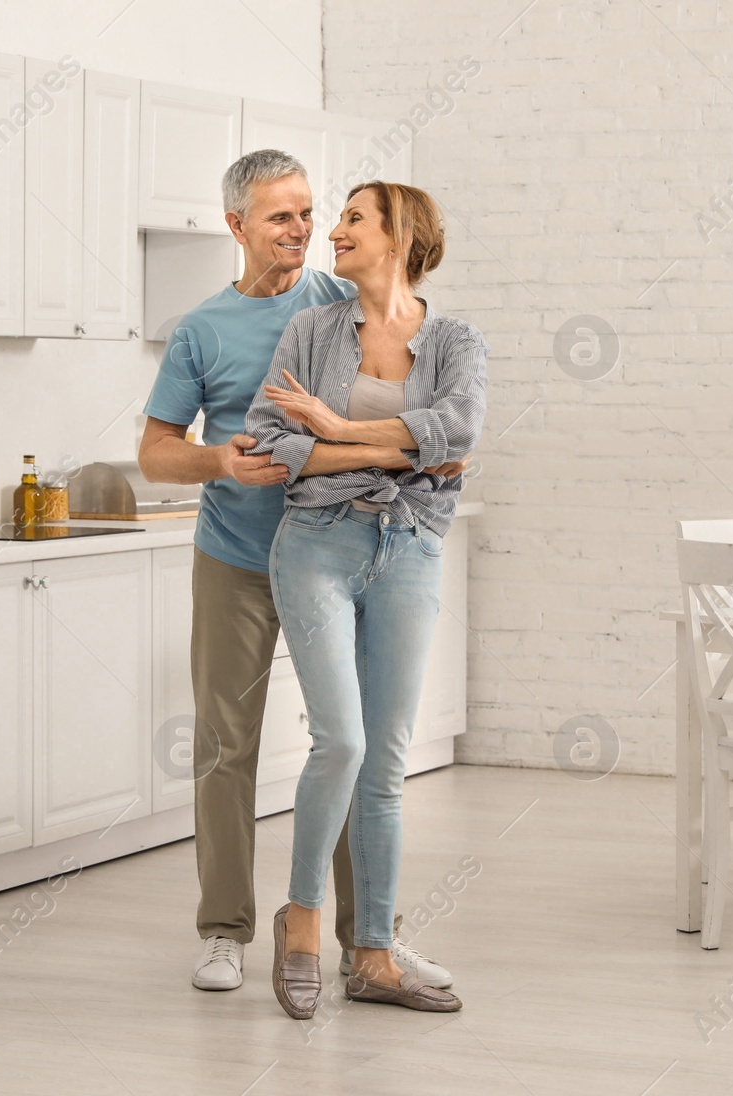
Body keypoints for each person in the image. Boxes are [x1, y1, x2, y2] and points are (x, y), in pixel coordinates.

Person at [138, 151, 456, 995]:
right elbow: (154, 453)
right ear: (236, 225)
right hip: (238, 557)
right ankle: (222, 931)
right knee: (224, 746)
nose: (303, 230)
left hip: (345, 551)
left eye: (309, 213)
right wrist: (216, 462)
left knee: (350, 746)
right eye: (281, 216)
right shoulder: (202, 329)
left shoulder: (339, 306)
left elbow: (423, 411)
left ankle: (364, 942)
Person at [244, 181, 487, 1018]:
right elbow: (271, 440)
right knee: (340, 742)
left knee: (387, 761)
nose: (331, 232)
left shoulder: (455, 340)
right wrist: (398, 450)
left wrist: (337, 430)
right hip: (317, 545)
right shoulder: (311, 329)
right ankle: (303, 922)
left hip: (411, 551)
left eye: (352, 219)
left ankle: (374, 954)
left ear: (400, 235)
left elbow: (460, 435)